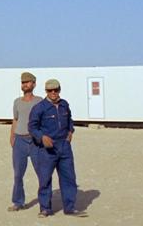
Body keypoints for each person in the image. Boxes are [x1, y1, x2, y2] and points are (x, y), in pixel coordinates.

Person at [28, 79, 88, 218]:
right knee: (45, 179)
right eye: (50, 90)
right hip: (47, 149)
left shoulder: (64, 104)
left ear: (59, 89)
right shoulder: (39, 108)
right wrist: (42, 137)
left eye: (56, 89)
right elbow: (32, 127)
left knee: (69, 178)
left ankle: (70, 208)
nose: (53, 92)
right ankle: (45, 209)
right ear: (46, 91)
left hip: (64, 146)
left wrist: (70, 131)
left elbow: (70, 120)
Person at [7, 72, 42, 212]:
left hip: (35, 142)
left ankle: (45, 203)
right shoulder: (17, 102)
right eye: (23, 82)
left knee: (42, 173)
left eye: (28, 82)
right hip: (19, 141)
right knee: (18, 174)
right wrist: (12, 136)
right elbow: (15, 119)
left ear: (34, 84)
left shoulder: (40, 101)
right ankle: (18, 202)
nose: (25, 85)